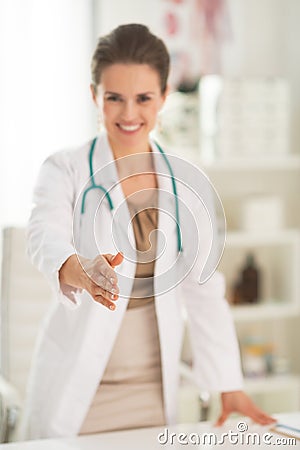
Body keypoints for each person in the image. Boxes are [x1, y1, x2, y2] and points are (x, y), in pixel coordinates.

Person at [22, 23, 275, 439]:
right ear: (94, 97)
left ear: (163, 98)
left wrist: (229, 384)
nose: (128, 114)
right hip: (78, 391)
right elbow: (42, 235)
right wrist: (75, 266)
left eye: (143, 98)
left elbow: (203, 288)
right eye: (114, 98)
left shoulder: (185, 182)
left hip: (154, 395)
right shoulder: (63, 169)